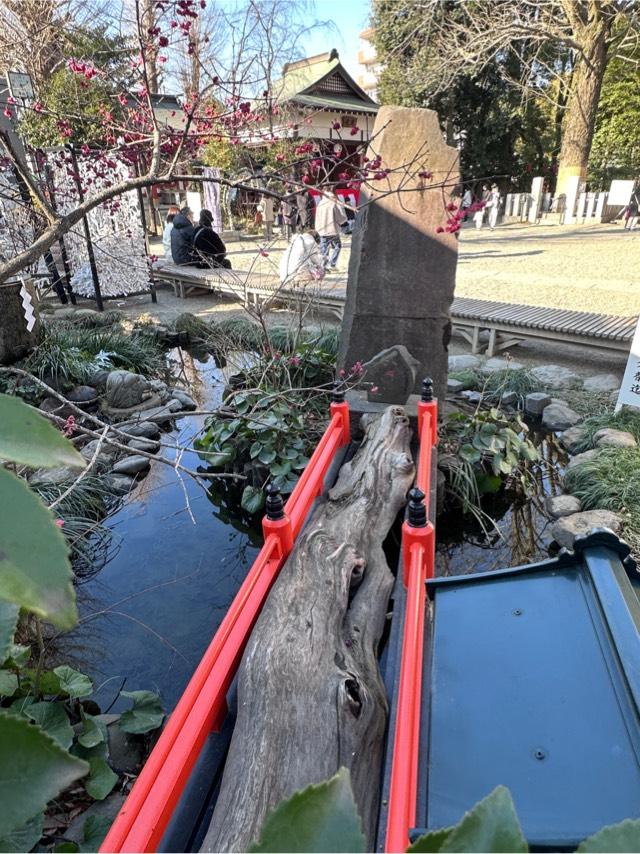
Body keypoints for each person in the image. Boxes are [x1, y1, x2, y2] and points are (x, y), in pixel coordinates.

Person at [315, 191, 347, 270]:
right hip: (333, 229)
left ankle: (323, 265)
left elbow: (317, 217)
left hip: (322, 230)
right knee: (337, 245)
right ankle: (332, 263)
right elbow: (341, 218)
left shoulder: (320, 203)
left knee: (324, 249)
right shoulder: (334, 203)